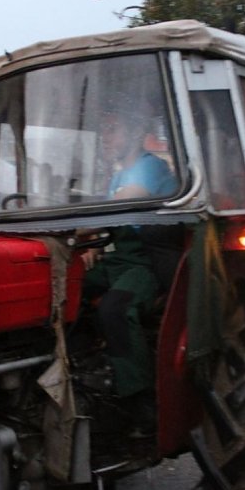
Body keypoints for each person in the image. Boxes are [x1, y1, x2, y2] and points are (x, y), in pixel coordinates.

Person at [80, 112, 178, 430]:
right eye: (104, 131)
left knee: (116, 308)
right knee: (67, 289)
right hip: (120, 256)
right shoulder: (118, 175)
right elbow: (111, 214)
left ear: (135, 132)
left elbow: (124, 204)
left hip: (149, 258)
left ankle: (140, 398)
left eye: (113, 130)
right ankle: (84, 368)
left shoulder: (151, 166)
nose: (106, 137)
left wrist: (79, 228)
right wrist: (93, 244)